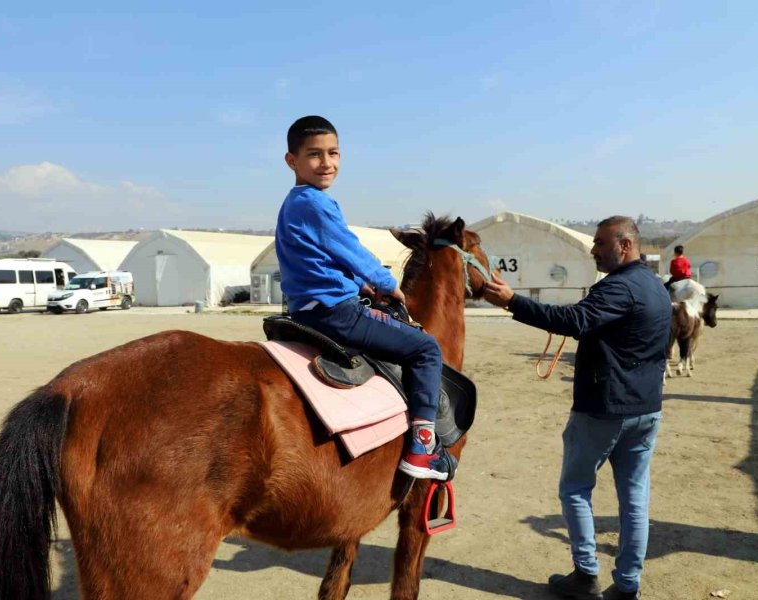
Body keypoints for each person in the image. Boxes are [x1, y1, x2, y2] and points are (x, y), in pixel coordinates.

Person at [483, 216, 671, 600]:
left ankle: (586, 575)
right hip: (646, 407)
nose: (593, 250)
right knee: (634, 500)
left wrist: (512, 302)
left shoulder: (621, 287)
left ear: (625, 246)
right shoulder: (654, 286)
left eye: (600, 243)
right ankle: (627, 585)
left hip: (604, 409)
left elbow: (573, 320)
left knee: (575, 489)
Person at [274, 115, 455, 481]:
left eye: (333, 153)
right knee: (426, 349)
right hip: (336, 312)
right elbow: (348, 248)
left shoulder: (295, 203)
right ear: (291, 161)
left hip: (307, 309)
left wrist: (361, 285)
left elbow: (324, 258)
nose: (326, 163)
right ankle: (422, 449)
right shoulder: (315, 203)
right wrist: (386, 282)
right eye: (314, 155)